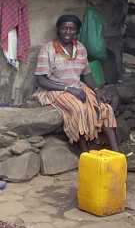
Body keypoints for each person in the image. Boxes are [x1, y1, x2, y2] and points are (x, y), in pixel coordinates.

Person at [34, 14, 120, 152]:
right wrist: (68, 89)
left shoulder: (80, 48)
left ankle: (117, 153)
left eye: (72, 29)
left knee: (104, 107)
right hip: (55, 90)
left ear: (77, 31)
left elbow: (87, 74)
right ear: (58, 29)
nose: (68, 32)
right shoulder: (48, 49)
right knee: (79, 109)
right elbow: (41, 80)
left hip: (78, 87)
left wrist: (97, 90)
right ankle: (85, 152)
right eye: (64, 28)